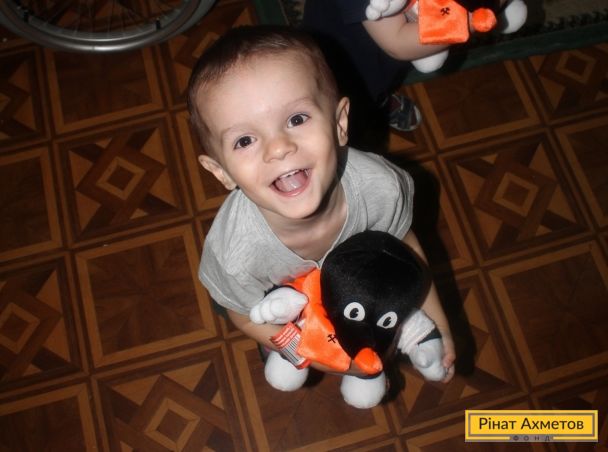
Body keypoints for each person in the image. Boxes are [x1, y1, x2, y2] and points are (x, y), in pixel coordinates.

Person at [187, 25, 455, 382]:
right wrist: (316, 356)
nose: (278, 147)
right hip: (280, 308)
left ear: (340, 123)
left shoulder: (382, 189)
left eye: (296, 119)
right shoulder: (234, 255)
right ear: (221, 172)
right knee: (271, 329)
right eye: (245, 140)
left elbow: (407, 256)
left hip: (360, 291)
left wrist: (439, 327)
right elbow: (244, 316)